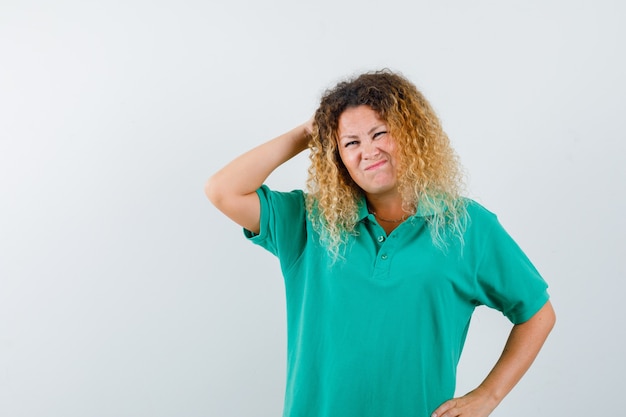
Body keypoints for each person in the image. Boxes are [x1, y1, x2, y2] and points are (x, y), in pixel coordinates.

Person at [205, 69, 556, 417]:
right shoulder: (310, 221)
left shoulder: (467, 226)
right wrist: (305, 133)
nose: (368, 151)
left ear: (411, 135)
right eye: (351, 142)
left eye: (380, 133)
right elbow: (223, 190)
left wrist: (488, 396)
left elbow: (537, 314)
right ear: (336, 155)